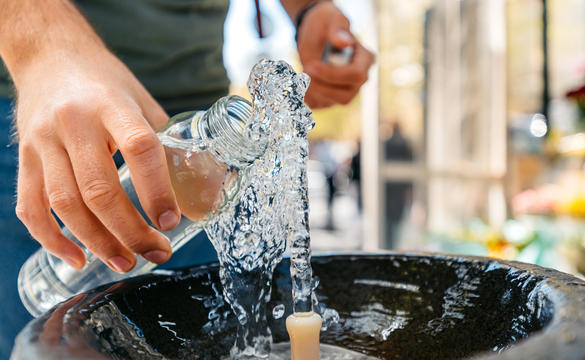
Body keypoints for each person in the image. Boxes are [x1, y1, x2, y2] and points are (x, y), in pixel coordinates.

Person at [0, 0, 374, 357]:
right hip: (48, 104)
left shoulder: (218, 166)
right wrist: (41, 47)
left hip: (198, 123)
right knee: (45, 335)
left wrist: (308, 10)